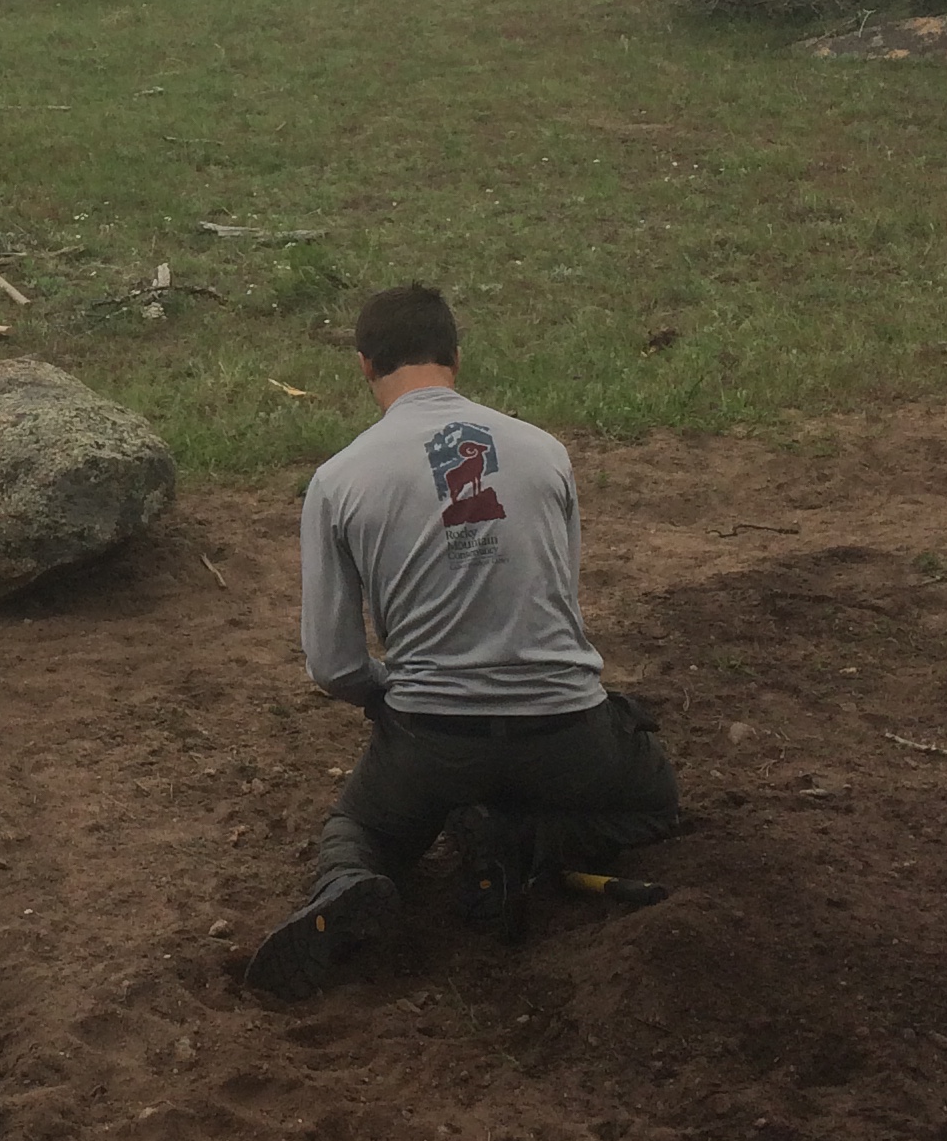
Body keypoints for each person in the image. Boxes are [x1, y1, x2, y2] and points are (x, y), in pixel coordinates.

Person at [247, 283, 678, 997]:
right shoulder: (545, 452)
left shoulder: (339, 478)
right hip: (566, 731)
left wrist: (390, 693)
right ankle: (521, 842)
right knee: (652, 801)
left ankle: (353, 879)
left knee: (361, 827)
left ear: (363, 366)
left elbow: (332, 665)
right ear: (455, 356)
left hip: (432, 741)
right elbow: (560, 603)